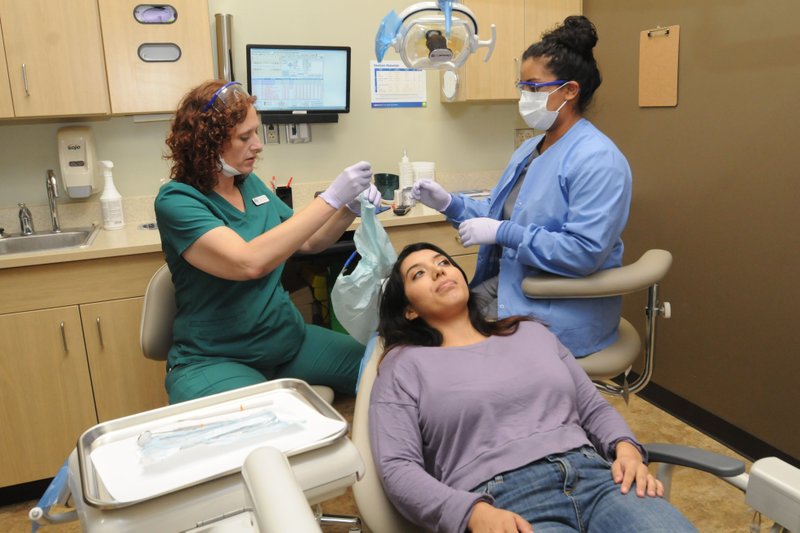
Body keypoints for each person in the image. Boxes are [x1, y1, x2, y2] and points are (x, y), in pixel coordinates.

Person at [369, 242, 696, 533]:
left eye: (444, 262)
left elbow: (593, 409)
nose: (439, 272)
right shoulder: (403, 366)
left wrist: (626, 447)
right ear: (408, 310)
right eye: (419, 274)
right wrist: (471, 513)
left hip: (600, 480)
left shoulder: (529, 333)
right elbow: (398, 467)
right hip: (503, 501)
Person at [412, 16, 632, 357]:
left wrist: (505, 234)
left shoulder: (599, 159)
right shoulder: (531, 149)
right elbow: (496, 219)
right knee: (415, 328)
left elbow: (583, 253)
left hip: (558, 305)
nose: (524, 96)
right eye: (521, 87)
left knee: (440, 345)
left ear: (570, 91)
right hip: (515, 286)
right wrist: (450, 204)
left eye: (533, 87)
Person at [155, 80, 381, 404]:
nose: (258, 145)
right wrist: (331, 198)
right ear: (207, 143)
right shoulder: (178, 200)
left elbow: (307, 242)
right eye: (245, 137)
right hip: (217, 359)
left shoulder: (248, 184)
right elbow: (249, 262)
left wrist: (348, 209)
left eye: (256, 132)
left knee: (385, 371)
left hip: (287, 341)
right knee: (263, 425)